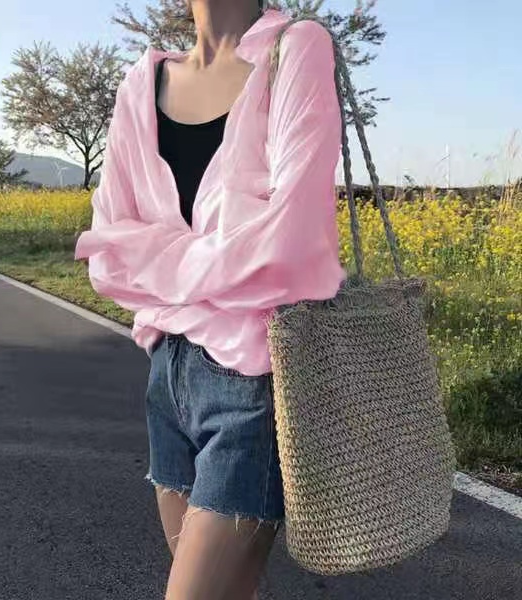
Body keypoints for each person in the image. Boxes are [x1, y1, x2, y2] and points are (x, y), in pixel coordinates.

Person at [74, 1, 346, 597]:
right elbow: (107, 248)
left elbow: (292, 243)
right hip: (166, 377)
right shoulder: (141, 82)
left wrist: (156, 257)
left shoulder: (296, 50)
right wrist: (223, 257)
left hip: (251, 383)